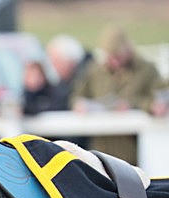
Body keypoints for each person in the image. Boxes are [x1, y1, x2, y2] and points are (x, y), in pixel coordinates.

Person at [71, 25, 166, 164]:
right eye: (110, 56)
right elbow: (77, 95)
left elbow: (157, 99)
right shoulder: (95, 71)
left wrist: (133, 104)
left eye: (117, 56)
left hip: (134, 150)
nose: (114, 61)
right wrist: (78, 104)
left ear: (127, 49)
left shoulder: (147, 70)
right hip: (101, 149)